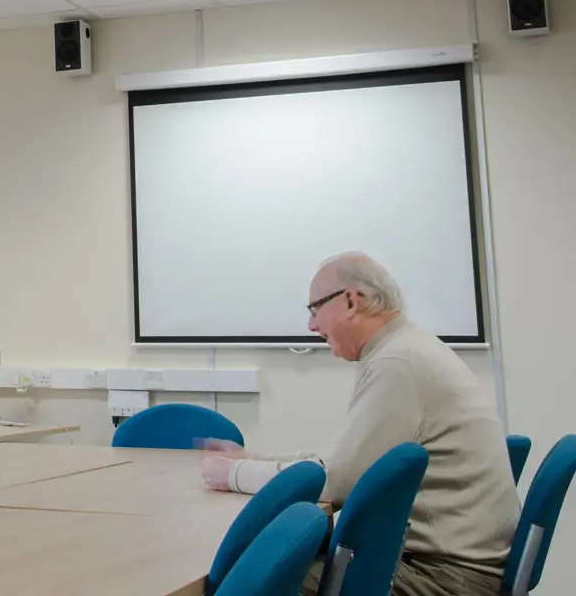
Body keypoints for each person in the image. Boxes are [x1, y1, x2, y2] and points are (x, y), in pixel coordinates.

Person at [198, 252, 519, 596]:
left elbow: (334, 481)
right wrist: (254, 459)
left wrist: (233, 474)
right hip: (445, 560)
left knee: (250, 578)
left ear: (351, 301)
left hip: (447, 577)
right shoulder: (404, 349)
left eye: (315, 309)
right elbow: (337, 462)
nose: (311, 326)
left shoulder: (398, 362)